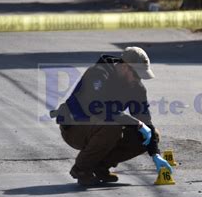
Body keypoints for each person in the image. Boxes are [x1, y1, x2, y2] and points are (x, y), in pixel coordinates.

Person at [53, 47, 172, 186]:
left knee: (151, 135)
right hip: (75, 128)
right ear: (125, 67)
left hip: (101, 127)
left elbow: (145, 120)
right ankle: (82, 169)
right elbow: (99, 108)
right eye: (137, 75)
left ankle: (100, 166)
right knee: (112, 126)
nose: (138, 79)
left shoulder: (136, 87)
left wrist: (155, 154)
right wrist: (137, 124)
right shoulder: (98, 73)